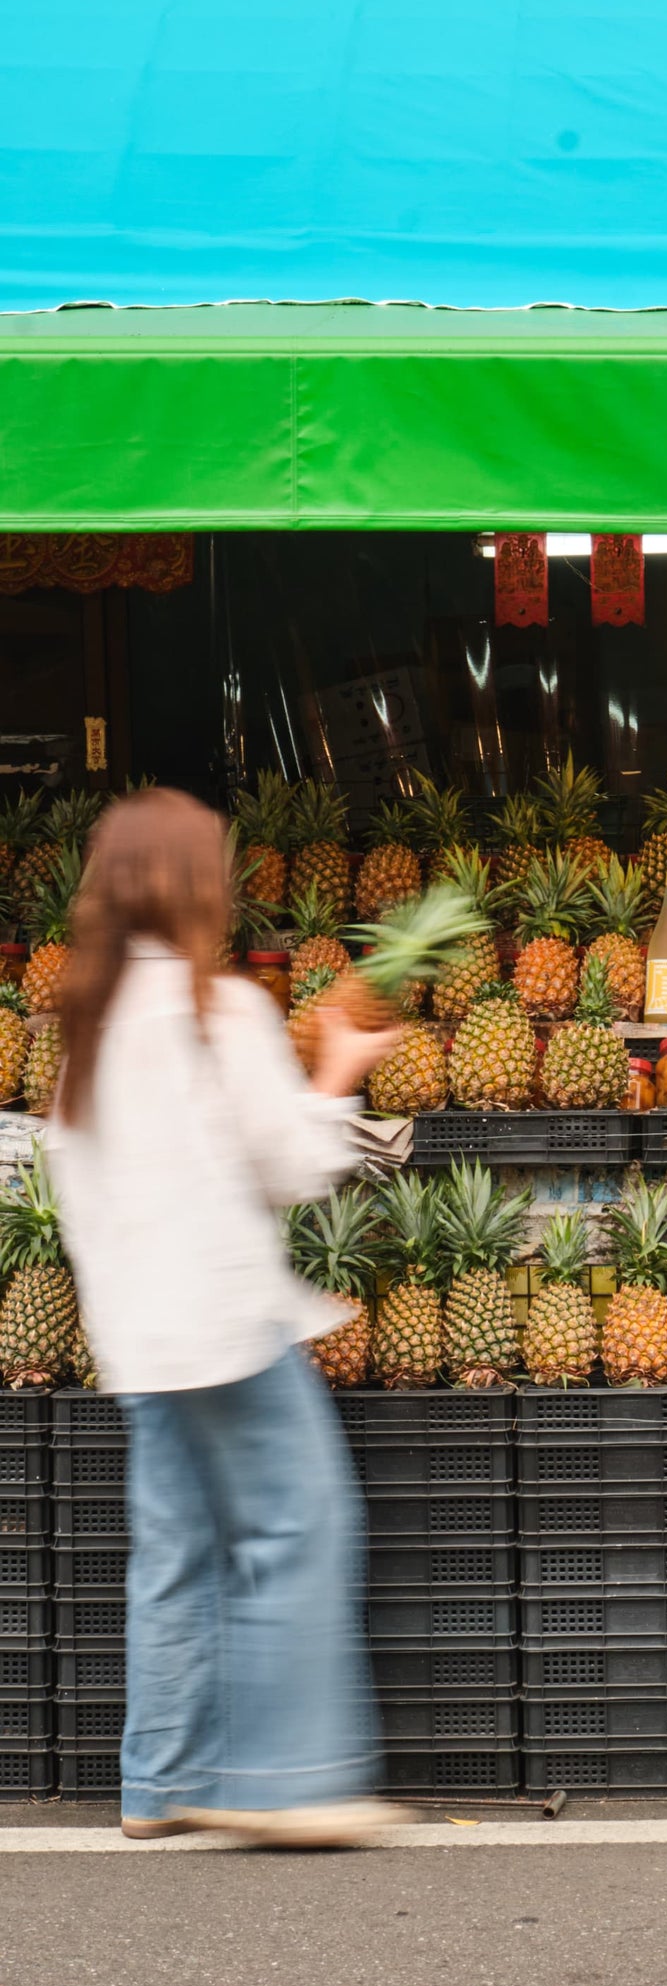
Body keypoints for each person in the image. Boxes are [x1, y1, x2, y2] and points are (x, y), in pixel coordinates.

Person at [46, 787, 406, 1849]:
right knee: (302, 1527)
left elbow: (77, 1190)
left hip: (141, 1341)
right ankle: (284, 1779)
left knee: (177, 1552)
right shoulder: (222, 1013)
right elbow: (288, 1165)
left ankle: (161, 1782)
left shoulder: (88, 1028)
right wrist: (336, 1071)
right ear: (197, 887)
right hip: (227, 1328)